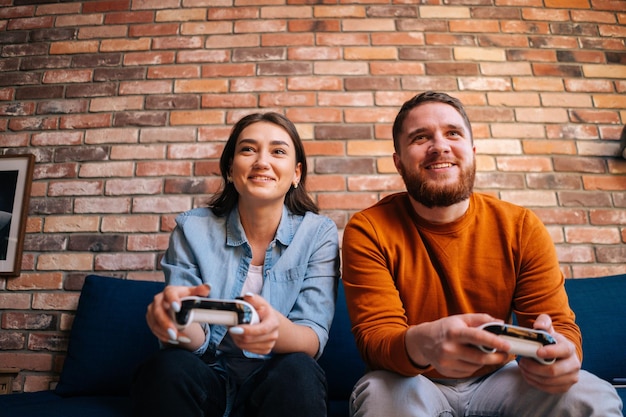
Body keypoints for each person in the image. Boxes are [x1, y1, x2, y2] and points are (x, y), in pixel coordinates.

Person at [341, 91, 623, 416]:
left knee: (591, 395)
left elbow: (556, 324)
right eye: (420, 137)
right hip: (412, 378)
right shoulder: (368, 228)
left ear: (472, 152)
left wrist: (563, 354)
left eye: (453, 133)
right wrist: (423, 343)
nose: (440, 146)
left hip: (500, 377)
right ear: (399, 161)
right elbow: (375, 338)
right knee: (380, 395)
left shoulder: (521, 226)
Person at [131, 112, 340, 417]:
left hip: (277, 380)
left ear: (296, 174)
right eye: (248, 150)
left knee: (299, 370)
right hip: (207, 376)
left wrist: (274, 329)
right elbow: (195, 339)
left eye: (278, 151)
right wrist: (175, 321)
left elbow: (311, 338)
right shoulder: (192, 229)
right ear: (230, 169)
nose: (262, 162)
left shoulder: (318, 233)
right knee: (166, 366)